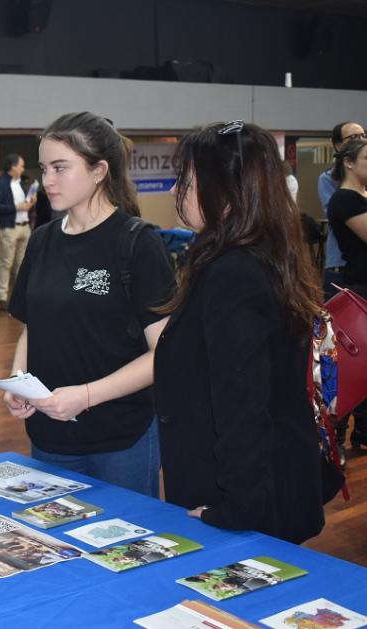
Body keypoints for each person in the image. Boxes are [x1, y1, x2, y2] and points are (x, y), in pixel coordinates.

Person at [155, 121, 324, 544]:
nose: (179, 190)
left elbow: (242, 404)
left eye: (189, 180)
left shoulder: (233, 272)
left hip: (244, 500)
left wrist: (232, 512)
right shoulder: (260, 255)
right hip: (263, 484)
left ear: (226, 192)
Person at [2, 112, 174, 497]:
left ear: (99, 171)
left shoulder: (138, 243)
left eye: (60, 168)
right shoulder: (43, 241)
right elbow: (33, 328)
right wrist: (17, 378)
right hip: (50, 436)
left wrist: (86, 395)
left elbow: (164, 353)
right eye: (44, 168)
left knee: (124, 551)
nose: (47, 180)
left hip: (120, 438)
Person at [326, 138, 367, 451]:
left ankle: (362, 435)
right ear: (349, 163)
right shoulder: (343, 199)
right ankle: (334, 436)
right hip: (358, 291)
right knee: (349, 368)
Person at [319, 121, 366, 300]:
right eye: (353, 137)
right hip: (343, 269)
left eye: (363, 135)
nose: (360, 140)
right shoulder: (342, 195)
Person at [0, 153, 36, 310]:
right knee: (6, 263)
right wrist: (16, 207)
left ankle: (20, 296)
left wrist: (29, 203)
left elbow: (24, 204)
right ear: (12, 166)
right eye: (21, 165)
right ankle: (2, 297)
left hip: (24, 226)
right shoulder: (0, 184)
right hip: (10, 227)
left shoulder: (21, 184)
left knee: (22, 264)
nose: (23, 168)